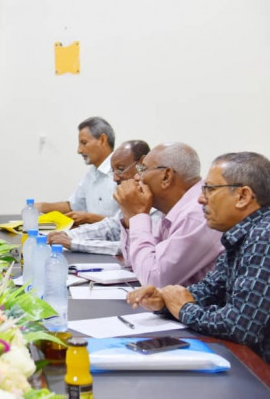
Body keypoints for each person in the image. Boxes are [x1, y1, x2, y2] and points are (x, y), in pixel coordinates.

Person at [127, 152, 270, 362]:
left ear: (242, 196)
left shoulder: (264, 236)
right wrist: (164, 299)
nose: (201, 199)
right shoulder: (242, 233)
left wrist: (184, 309)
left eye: (210, 189)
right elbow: (211, 290)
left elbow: (240, 326)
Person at [115, 142, 224, 286]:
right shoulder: (173, 208)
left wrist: (137, 216)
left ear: (166, 176)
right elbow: (136, 263)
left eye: (142, 169)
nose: (136, 177)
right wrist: (131, 218)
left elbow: (154, 280)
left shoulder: (197, 213)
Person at [47, 140, 162, 255]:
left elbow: (130, 247)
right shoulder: (132, 197)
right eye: (113, 172)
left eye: (121, 169)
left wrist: (74, 243)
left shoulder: (159, 206)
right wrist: (67, 235)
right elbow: (111, 227)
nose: (115, 178)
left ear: (141, 164)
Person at [37, 117, 119, 226]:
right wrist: (42, 207)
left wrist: (89, 218)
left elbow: (127, 224)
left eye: (84, 143)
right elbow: (73, 206)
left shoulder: (122, 173)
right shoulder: (91, 174)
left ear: (102, 140)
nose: (79, 150)